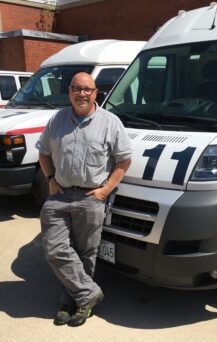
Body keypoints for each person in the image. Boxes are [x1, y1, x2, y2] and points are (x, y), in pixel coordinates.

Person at [35, 72, 132, 327]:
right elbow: (43, 153)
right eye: (76, 89)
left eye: (87, 89)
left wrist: (106, 189)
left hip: (92, 196)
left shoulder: (110, 122)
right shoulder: (57, 120)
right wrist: (51, 178)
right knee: (55, 249)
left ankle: (73, 302)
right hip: (60, 194)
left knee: (85, 252)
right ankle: (89, 293)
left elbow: (124, 160)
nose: (81, 93)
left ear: (95, 93)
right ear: (69, 91)